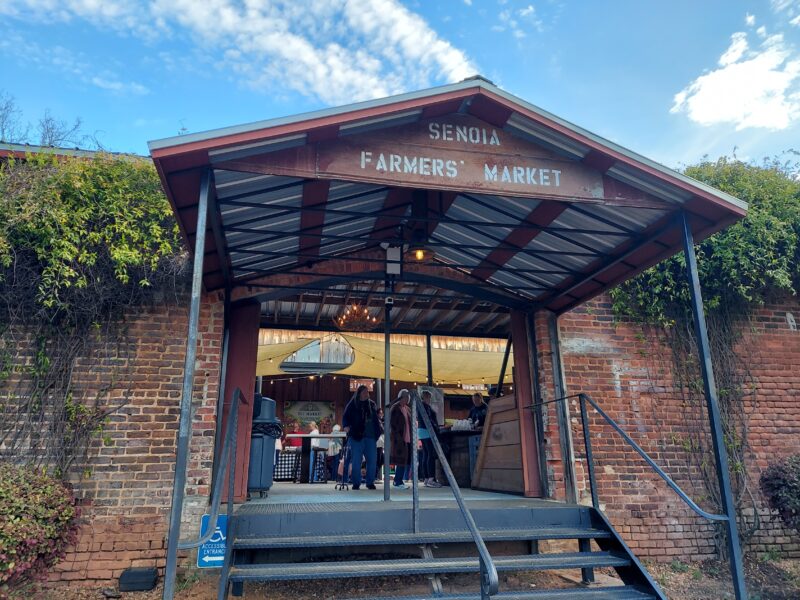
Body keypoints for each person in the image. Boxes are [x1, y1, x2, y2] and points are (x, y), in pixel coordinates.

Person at [342, 385, 381, 490]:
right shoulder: (353, 404)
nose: (366, 394)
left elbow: (376, 420)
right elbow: (345, 417)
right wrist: (346, 427)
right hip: (356, 436)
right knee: (356, 461)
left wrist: (378, 432)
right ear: (359, 393)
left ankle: (370, 482)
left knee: (372, 460)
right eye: (364, 392)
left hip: (370, 437)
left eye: (367, 392)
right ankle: (356, 483)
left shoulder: (372, 404)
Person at [418, 390, 442, 488]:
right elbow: (429, 419)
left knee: (426, 454)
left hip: (421, 431)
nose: (429, 399)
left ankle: (426, 478)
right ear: (425, 397)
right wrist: (436, 427)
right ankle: (431, 478)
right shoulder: (425, 407)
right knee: (430, 455)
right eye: (428, 397)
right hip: (427, 431)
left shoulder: (421, 406)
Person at [390, 389, 413, 489]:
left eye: (408, 397)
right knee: (400, 460)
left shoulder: (407, 409)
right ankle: (397, 481)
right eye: (405, 397)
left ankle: (400, 480)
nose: (407, 399)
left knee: (405, 460)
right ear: (401, 397)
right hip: (399, 438)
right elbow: (393, 424)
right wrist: (398, 436)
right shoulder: (395, 408)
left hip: (407, 438)